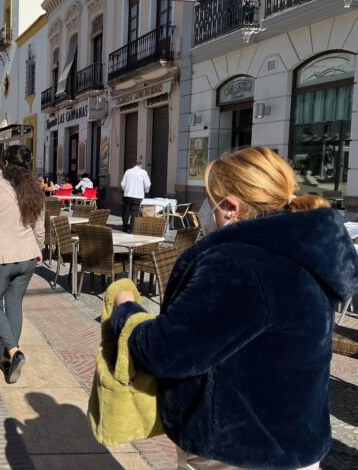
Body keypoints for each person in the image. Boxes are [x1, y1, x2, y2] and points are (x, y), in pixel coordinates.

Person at [109, 147, 358, 469]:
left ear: (230, 207)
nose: (206, 209)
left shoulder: (241, 262)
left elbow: (168, 352)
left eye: (209, 199)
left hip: (236, 449)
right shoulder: (305, 248)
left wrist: (126, 311)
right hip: (295, 441)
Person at [0, 145, 45, 384]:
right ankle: (8, 359)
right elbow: (40, 228)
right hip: (27, 257)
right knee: (14, 303)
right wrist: (39, 249)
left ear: (5, 164)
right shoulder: (35, 190)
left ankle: (14, 352)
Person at [120, 161, 151, 232]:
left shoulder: (128, 171)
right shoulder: (143, 172)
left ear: (134, 165)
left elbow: (122, 183)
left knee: (126, 211)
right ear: (141, 166)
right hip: (138, 195)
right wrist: (146, 191)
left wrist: (126, 190)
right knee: (134, 212)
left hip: (128, 195)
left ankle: (125, 226)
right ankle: (131, 228)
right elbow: (147, 184)